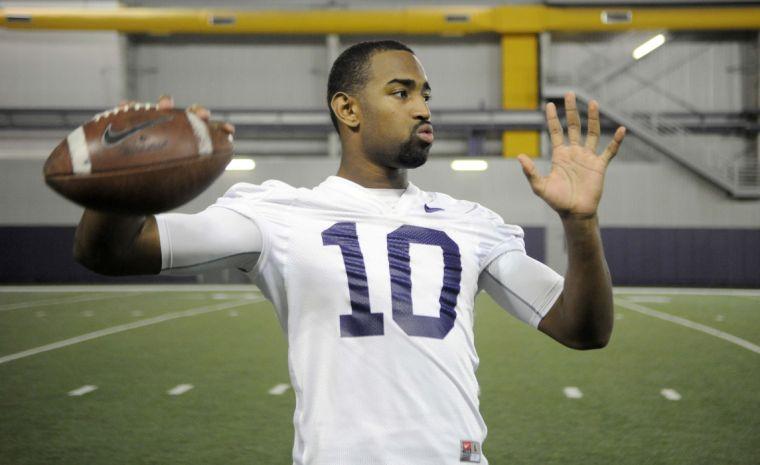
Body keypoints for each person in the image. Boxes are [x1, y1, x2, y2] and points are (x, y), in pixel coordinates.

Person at [74, 40, 625, 465]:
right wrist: (124, 183)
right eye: (401, 92)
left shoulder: (471, 223)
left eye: (426, 95)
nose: (422, 109)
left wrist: (581, 222)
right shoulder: (277, 214)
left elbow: (583, 329)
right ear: (348, 108)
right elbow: (113, 253)